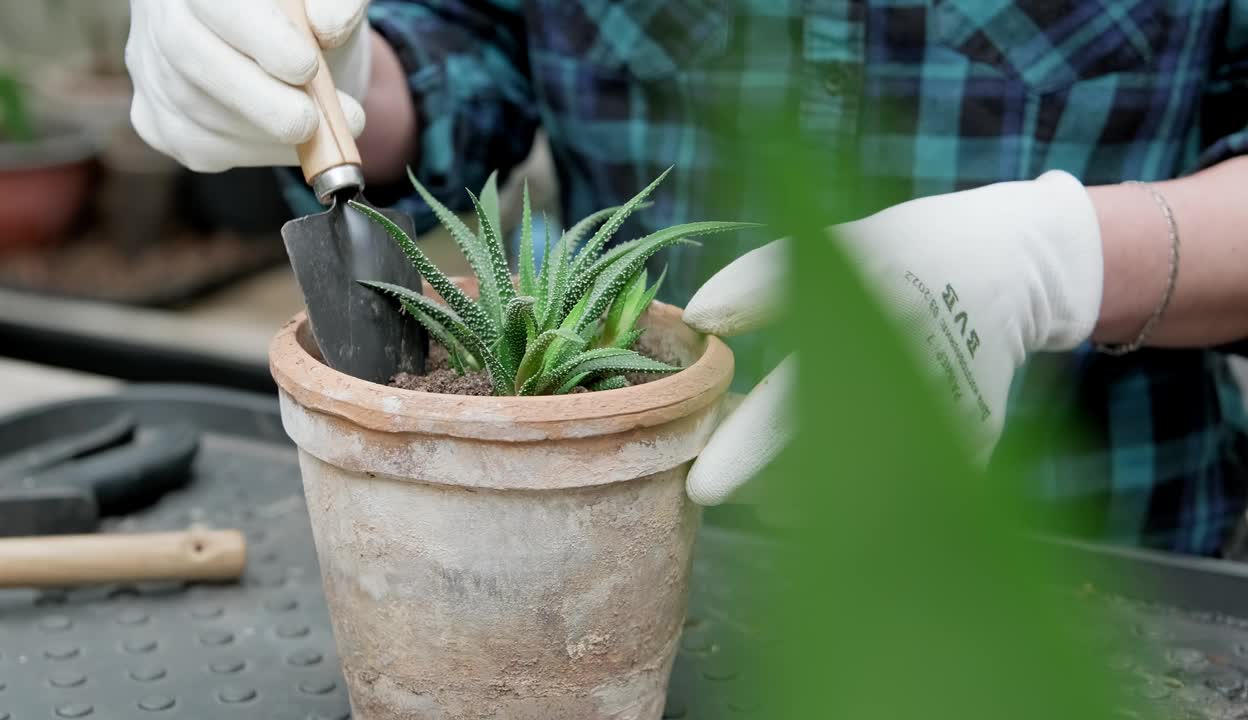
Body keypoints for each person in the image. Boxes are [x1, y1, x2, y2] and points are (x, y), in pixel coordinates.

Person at [126, 0, 1248, 556]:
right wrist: (321, 76)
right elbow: (466, 41)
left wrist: (1058, 257)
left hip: (1090, 575)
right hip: (628, 551)